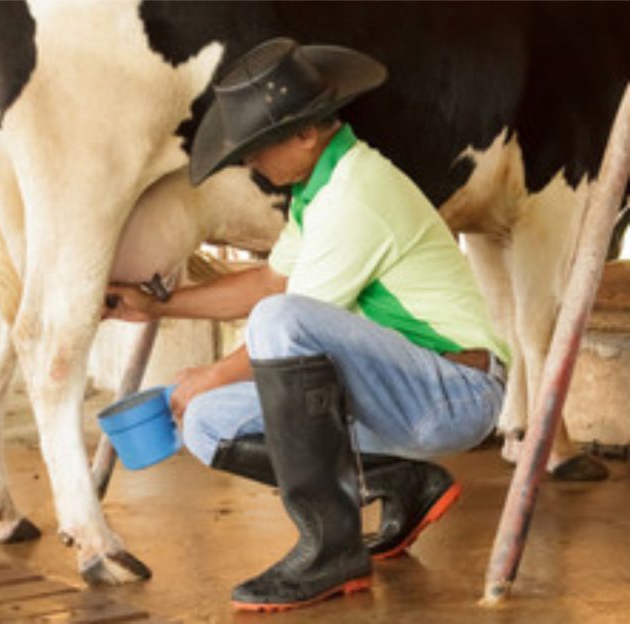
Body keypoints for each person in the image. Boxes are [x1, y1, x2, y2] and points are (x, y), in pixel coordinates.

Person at [104, 38, 509, 612]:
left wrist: (211, 372)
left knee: (271, 329)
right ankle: (401, 482)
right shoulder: (315, 195)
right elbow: (269, 284)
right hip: (399, 395)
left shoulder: (357, 194)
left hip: (454, 393)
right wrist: (159, 305)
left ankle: (330, 548)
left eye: (256, 146)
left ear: (305, 133)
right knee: (206, 424)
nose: (248, 161)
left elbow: (285, 320)